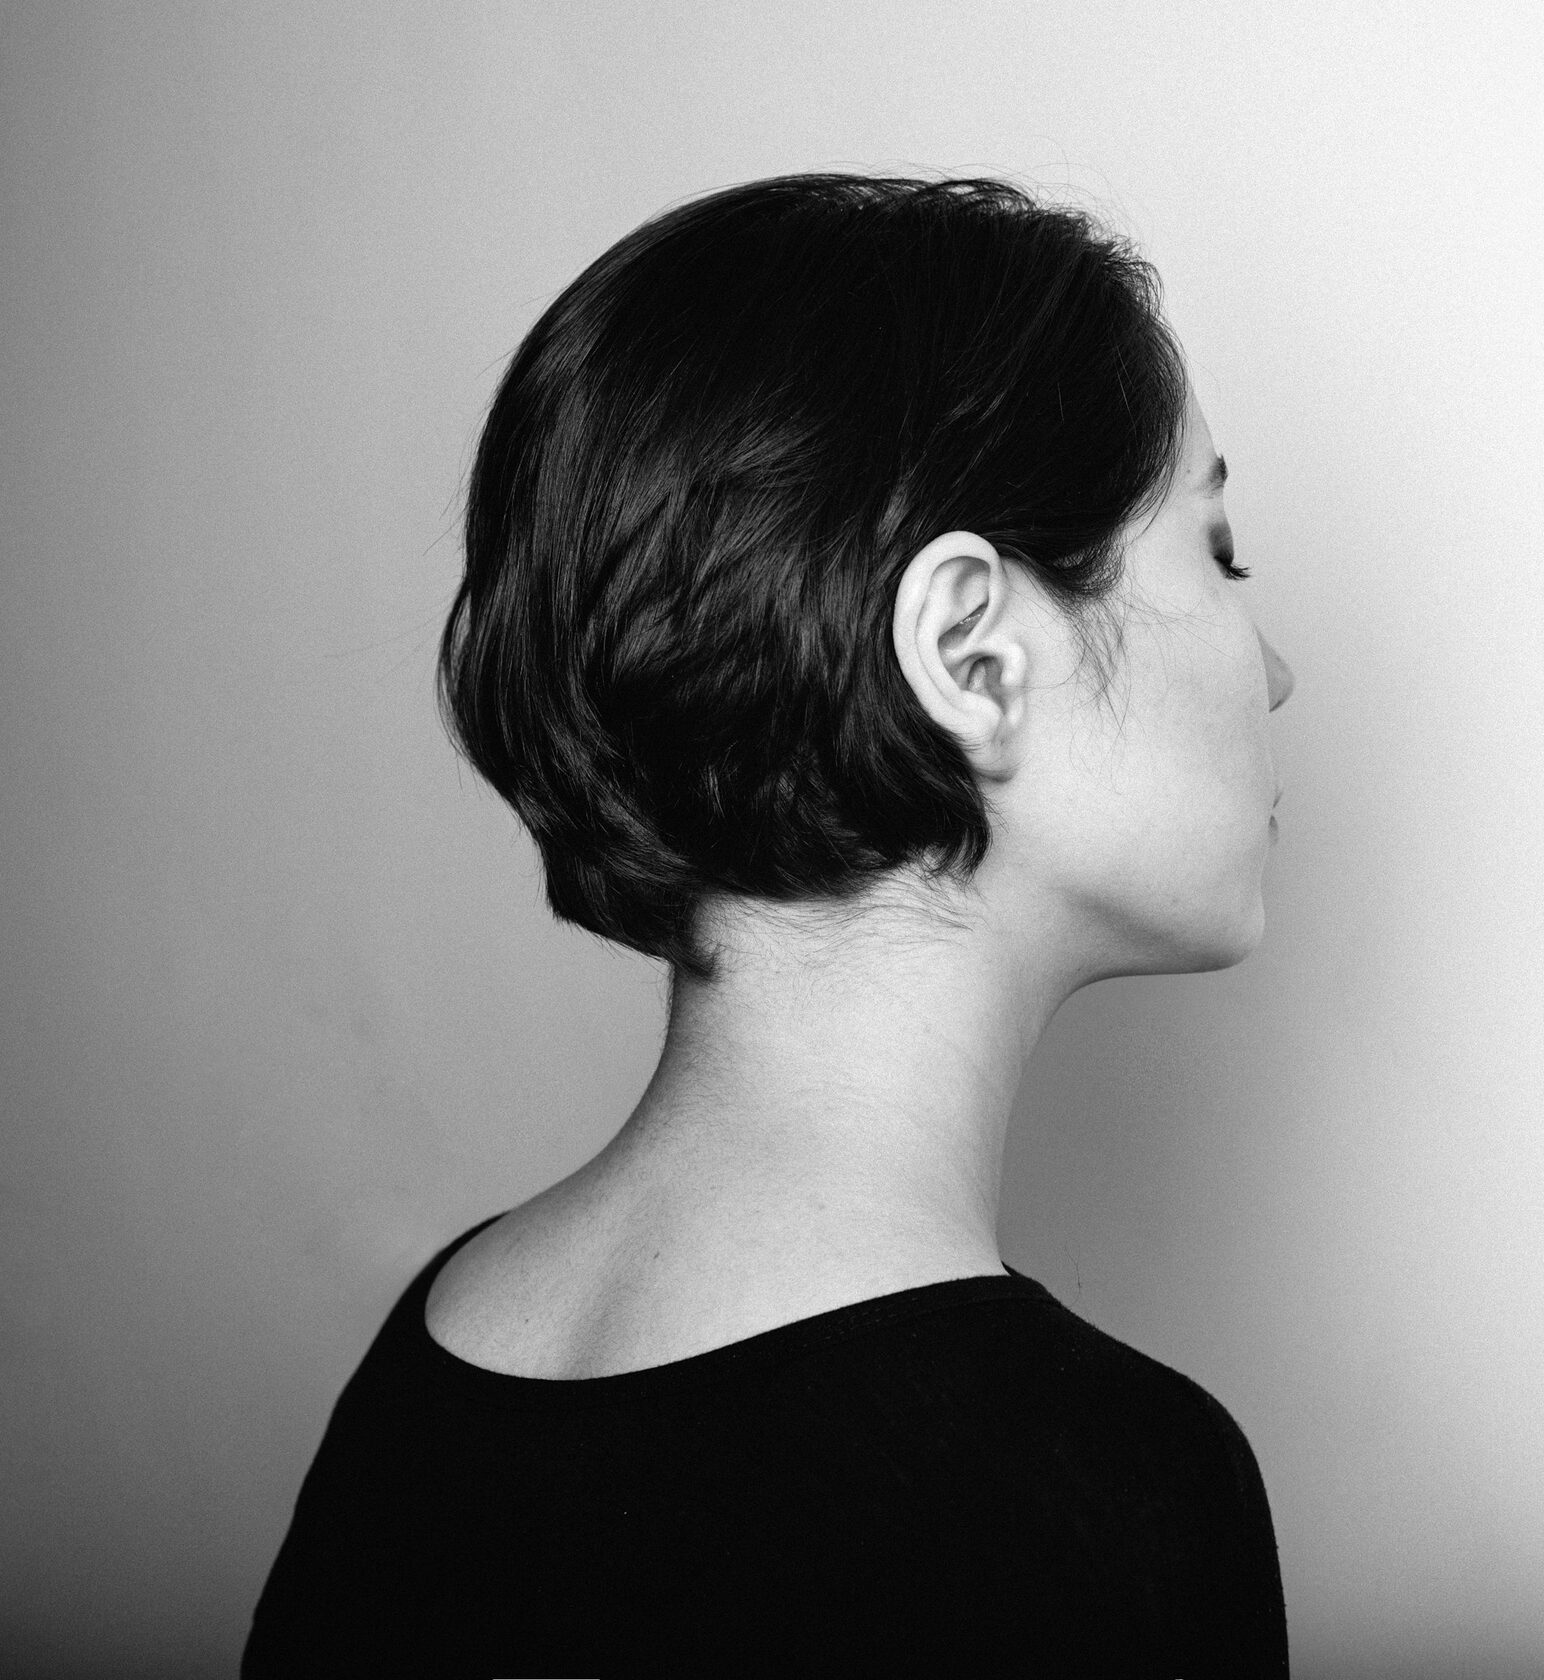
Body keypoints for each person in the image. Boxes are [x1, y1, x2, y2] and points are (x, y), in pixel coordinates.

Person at [244, 171, 1295, 1676]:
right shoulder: (1095, 1500)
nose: (1277, 673)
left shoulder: (444, 1343)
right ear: (972, 653)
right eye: (1219, 549)